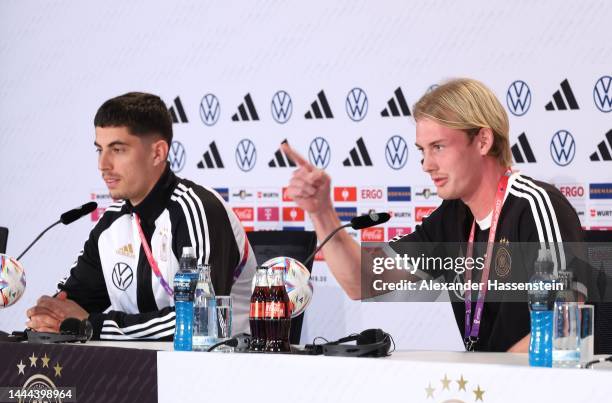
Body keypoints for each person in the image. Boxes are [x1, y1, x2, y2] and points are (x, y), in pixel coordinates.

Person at [282, 78, 587, 352]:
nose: (426, 164)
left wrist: (498, 383)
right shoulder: (452, 217)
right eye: (422, 150)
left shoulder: (535, 206)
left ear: (483, 140)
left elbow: (565, 327)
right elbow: (362, 280)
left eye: (438, 147)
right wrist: (321, 211)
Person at [26, 92, 256, 340]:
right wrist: (47, 318)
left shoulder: (197, 209)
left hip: (218, 371)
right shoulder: (111, 224)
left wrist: (94, 327)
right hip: (133, 372)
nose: (103, 164)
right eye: (99, 149)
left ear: (157, 153)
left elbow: (202, 321)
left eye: (117, 149)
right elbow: (68, 305)